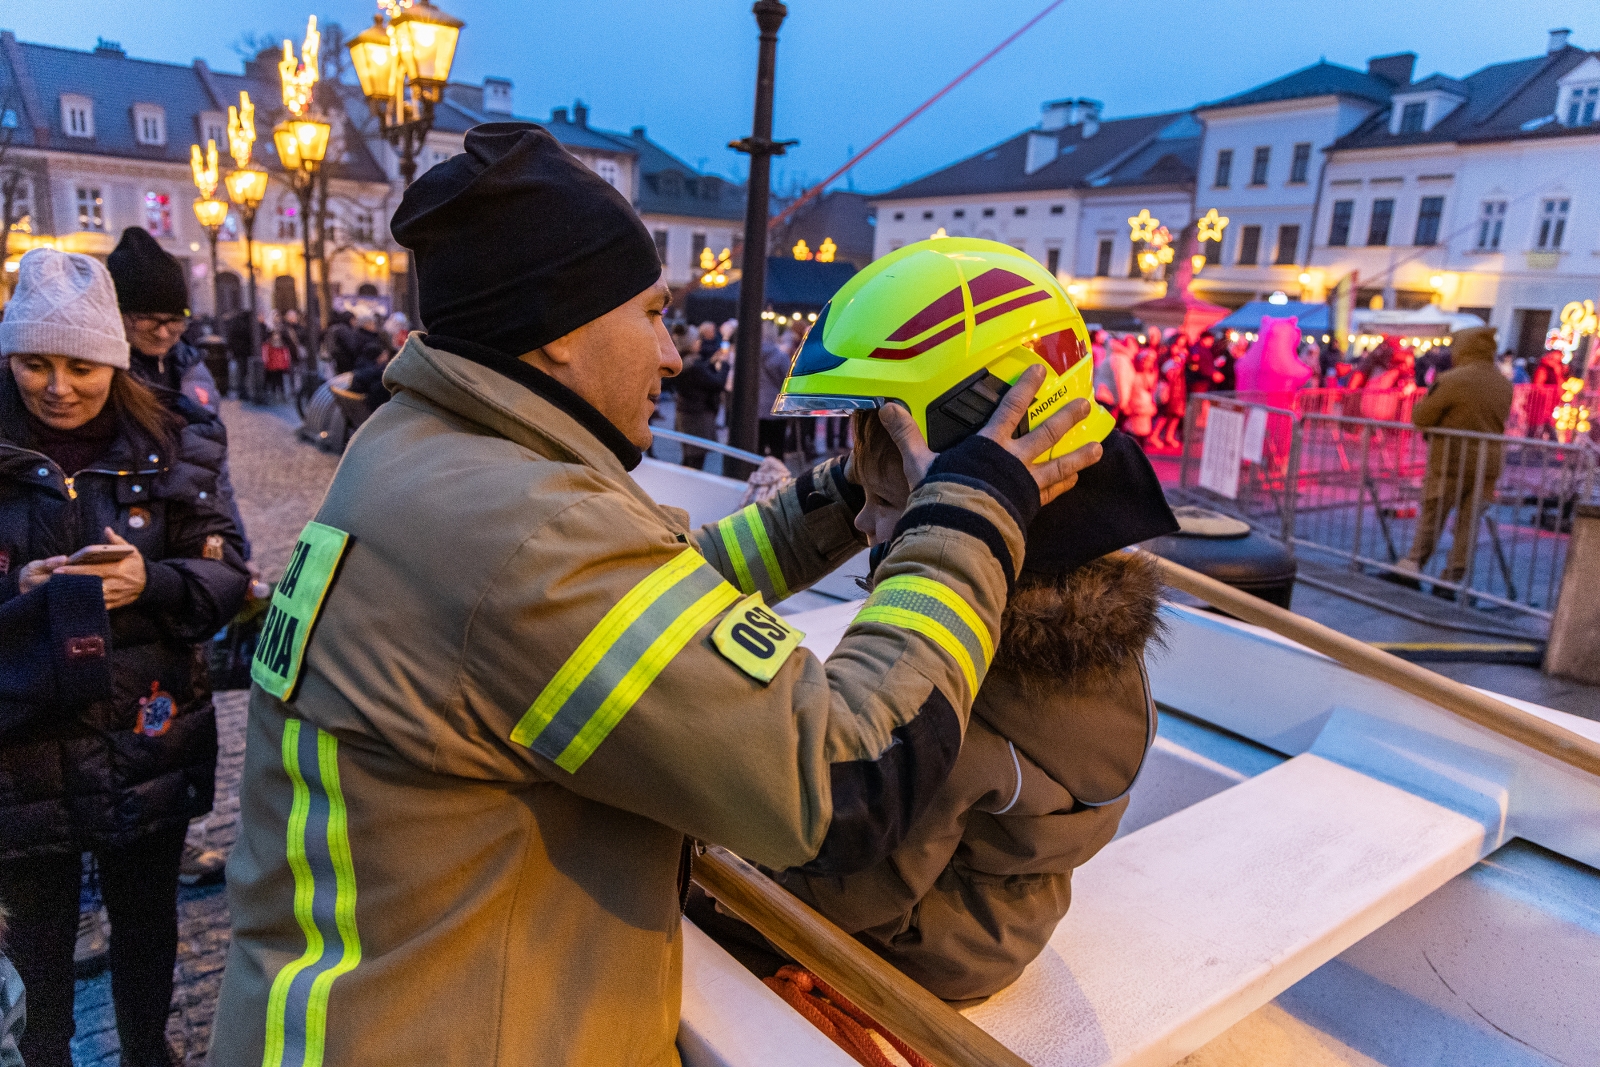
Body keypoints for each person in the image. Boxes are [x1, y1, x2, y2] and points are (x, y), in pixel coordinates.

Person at [209, 125, 1100, 1067]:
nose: (674, 355)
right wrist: (969, 513)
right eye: (652, 313)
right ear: (558, 331)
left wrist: (844, 496)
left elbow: (653, 593)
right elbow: (844, 777)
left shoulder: (427, 457)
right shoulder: (524, 535)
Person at [699, 420, 1175, 1003]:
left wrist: (714, 849)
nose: (860, 522)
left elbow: (854, 873)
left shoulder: (953, 713)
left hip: (932, 946)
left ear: (976, 519)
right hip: (1009, 914)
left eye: (886, 503)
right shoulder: (1093, 659)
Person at [0, 247, 250, 1067]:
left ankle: (149, 1052)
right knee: (38, 943)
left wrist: (154, 580)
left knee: (147, 926)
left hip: (146, 734)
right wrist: (19, 599)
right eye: (35, 362)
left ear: (114, 357)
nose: (57, 386)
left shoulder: (179, 437)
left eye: (80, 365)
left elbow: (225, 574)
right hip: (23, 746)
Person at [1397, 325, 1514, 588]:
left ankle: (1413, 565)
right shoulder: (1503, 384)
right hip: (1488, 463)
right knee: (1468, 523)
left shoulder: (1453, 380)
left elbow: (1422, 416)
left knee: (1433, 513)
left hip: (1451, 459)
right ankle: (1452, 579)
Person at [105, 227, 221, 413]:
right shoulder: (97, 375)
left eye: (174, 321)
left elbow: (210, 428)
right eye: (148, 320)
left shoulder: (192, 365)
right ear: (117, 315)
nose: (162, 333)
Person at [674, 321, 728, 469]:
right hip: (697, 414)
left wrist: (711, 362)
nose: (699, 343)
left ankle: (682, 486)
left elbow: (701, 377)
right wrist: (724, 365)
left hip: (685, 410)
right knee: (696, 459)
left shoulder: (681, 361)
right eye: (696, 340)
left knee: (688, 456)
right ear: (690, 343)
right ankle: (687, 489)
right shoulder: (693, 366)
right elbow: (716, 383)